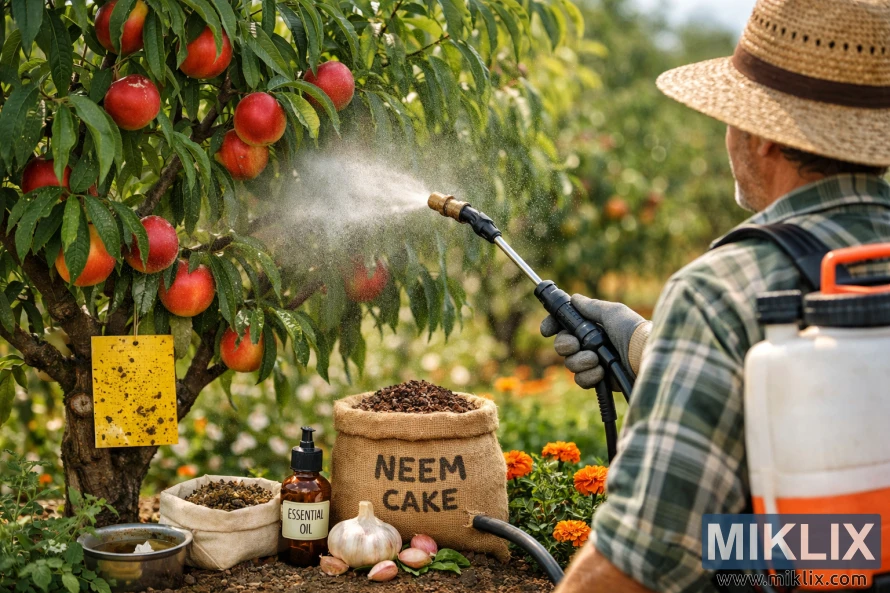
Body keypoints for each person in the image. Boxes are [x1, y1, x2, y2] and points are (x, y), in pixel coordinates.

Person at [545, 0, 890, 591]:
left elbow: (642, 559)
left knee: (722, 551)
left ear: (762, 135)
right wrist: (649, 345)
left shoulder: (720, 290)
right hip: (865, 549)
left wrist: (698, 321)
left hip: (817, 569)